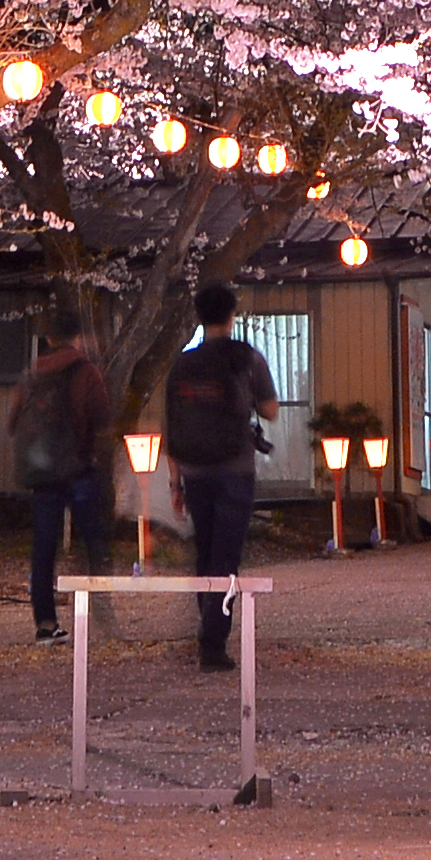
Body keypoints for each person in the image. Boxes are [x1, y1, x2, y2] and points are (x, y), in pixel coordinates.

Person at [159, 282, 275, 670]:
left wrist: (175, 482)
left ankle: (208, 633)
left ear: (199, 316)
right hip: (235, 470)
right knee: (226, 557)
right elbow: (271, 410)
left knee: (205, 553)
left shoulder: (183, 364)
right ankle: (212, 643)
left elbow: (171, 426)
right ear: (231, 314)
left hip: (194, 469)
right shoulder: (246, 358)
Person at [7, 298, 116, 641]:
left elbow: (13, 423)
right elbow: (102, 419)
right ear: (78, 337)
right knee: (94, 539)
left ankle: (45, 623)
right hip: (78, 470)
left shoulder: (32, 374)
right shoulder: (85, 371)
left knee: (43, 548)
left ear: (50, 338)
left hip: (43, 474)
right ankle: (100, 610)